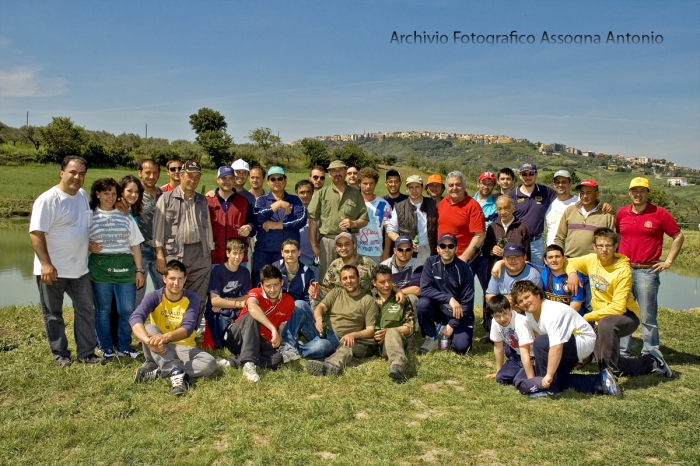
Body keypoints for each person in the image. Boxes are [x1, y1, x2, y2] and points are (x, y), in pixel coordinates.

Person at [565, 228, 674, 381]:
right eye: (600, 246)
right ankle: (652, 362)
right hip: (601, 318)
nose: (604, 250)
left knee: (606, 326)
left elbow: (618, 307)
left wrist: (587, 316)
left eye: (608, 245)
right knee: (604, 360)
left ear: (615, 246)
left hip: (626, 315)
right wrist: (572, 273)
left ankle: (610, 379)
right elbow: (569, 262)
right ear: (594, 247)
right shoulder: (591, 260)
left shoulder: (623, 270)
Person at [29, 156, 104, 366]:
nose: (77, 177)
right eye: (73, 172)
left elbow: (84, 223)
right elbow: (36, 233)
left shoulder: (82, 195)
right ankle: (60, 355)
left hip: (79, 269)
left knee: (86, 309)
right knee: (54, 314)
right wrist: (45, 264)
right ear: (62, 172)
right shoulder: (48, 200)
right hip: (53, 269)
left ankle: (87, 353)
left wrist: (89, 242)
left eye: (81, 173)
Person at [510, 280, 619, 398]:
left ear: (537, 295)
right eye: (520, 301)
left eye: (527, 297)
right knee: (557, 381)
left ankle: (544, 389)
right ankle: (601, 382)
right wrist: (550, 376)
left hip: (581, 340)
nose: (525, 302)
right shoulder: (530, 313)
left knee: (540, 344)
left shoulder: (551, 312)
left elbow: (556, 346)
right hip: (567, 343)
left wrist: (549, 375)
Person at [615, 177, 684, 358]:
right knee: (624, 312)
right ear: (629, 193)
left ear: (647, 193)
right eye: (635, 191)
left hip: (647, 271)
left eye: (642, 191)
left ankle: (651, 354)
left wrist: (668, 261)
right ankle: (623, 354)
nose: (638, 194)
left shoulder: (659, 213)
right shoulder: (622, 213)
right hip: (624, 270)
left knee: (647, 316)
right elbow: (617, 236)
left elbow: (678, 236)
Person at [130, 260, 217, 396]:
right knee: (150, 327)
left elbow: (188, 328)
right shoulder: (154, 296)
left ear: (185, 279)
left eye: (180, 279)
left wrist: (165, 337)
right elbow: (135, 318)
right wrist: (148, 341)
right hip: (156, 347)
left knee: (210, 364)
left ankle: (159, 370)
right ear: (164, 279)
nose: (176, 283)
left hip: (182, 347)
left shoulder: (191, 298)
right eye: (172, 278)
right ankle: (175, 373)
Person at [87, 178, 145, 359]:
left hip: (125, 267)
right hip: (100, 267)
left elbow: (135, 245)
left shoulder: (125, 214)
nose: (110, 197)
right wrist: (88, 244)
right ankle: (106, 348)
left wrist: (139, 270)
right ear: (97, 194)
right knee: (103, 310)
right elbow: (78, 238)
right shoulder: (89, 215)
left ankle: (124, 346)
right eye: (106, 193)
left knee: (126, 310)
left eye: (113, 193)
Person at [153, 160, 214, 324]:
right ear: (181, 175)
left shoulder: (202, 200)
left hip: (200, 253)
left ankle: (190, 330)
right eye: (190, 176)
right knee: (174, 293)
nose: (193, 180)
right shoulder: (166, 199)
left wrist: (208, 251)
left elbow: (207, 227)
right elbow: (158, 230)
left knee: (198, 295)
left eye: (197, 177)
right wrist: (160, 254)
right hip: (175, 253)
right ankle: (171, 328)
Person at [217, 265, 295, 382]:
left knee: (277, 359)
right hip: (238, 336)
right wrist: (273, 329)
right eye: (268, 286)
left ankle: (232, 362)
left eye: (276, 285)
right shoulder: (255, 292)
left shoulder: (288, 301)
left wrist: (278, 336)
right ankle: (249, 365)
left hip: (259, 342)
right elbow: (252, 307)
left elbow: (282, 325)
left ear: (282, 283)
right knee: (252, 316)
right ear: (262, 285)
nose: (272, 290)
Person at [305, 265, 379, 377]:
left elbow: (371, 330)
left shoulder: (368, 301)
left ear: (359, 279)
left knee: (318, 348)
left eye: (352, 277)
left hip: (344, 339)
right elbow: (320, 307)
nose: (348, 281)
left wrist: (353, 335)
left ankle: (330, 366)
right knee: (300, 306)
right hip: (326, 331)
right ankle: (292, 348)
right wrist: (319, 319)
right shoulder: (336, 293)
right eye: (345, 278)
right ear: (341, 281)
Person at [307, 159, 368, 280]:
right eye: (334, 171)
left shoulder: (355, 194)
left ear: (346, 172)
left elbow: (364, 220)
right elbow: (312, 221)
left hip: (349, 241)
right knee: (327, 276)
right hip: (328, 242)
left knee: (350, 275)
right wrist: (314, 245)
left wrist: (353, 223)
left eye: (340, 170)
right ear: (329, 174)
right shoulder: (321, 194)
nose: (337, 173)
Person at [417, 232, 475, 355]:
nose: (446, 249)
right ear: (438, 248)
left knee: (461, 348)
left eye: (450, 246)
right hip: (438, 309)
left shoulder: (464, 269)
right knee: (422, 304)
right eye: (443, 246)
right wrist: (449, 298)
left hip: (458, 314)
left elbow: (467, 304)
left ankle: (447, 329)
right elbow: (425, 289)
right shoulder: (430, 262)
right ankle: (431, 337)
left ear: (456, 249)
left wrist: (452, 325)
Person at [481, 199, 531, 338]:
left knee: (513, 298)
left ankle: (515, 327)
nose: (502, 212)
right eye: (499, 209)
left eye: (506, 208)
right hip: (494, 270)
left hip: (516, 271)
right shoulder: (492, 227)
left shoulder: (522, 227)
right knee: (491, 297)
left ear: (513, 208)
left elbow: (527, 254)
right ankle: (489, 328)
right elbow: (484, 250)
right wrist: (492, 250)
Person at [253, 166, 307, 285]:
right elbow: (258, 217)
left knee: (287, 286)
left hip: (287, 253)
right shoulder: (262, 200)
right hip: (264, 252)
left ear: (285, 180)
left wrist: (278, 225)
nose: (277, 181)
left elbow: (301, 220)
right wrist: (277, 205)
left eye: (280, 178)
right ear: (268, 182)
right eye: (273, 179)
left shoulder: (295, 200)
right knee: (261, 284)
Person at [274, 239, 317, 363]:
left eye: (293, 251)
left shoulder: (307, 273)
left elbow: (307, 301)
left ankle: (288, 344)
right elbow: (266, 291)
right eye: (287, 251)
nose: (290, 255)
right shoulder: (275, 268)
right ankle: (292, 345)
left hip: (298, 311)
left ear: (299, 253)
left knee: (299, 304)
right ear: (282, 253)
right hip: (279, 309)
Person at [206, 165, 256, 266]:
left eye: (231, 178)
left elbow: (253, 222)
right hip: (214, 257)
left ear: (234, 180)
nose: (227, 182)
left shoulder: (244, 202)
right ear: (217, 180)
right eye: (224, 178)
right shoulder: (208, 201)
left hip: (238, 258)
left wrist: (249, 227)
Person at [508, 162, 557, 265]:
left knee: (537, 274)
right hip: (517, 242)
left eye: (531, 174)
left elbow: (564, 198)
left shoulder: (546, 192)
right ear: (520, 176)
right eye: (524, 174)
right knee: (517, 275)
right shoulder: (512, 195)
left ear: (536, 175)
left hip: (536, 244)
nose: (528, 177)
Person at [206, 238, 252, 349]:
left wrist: (224, 301)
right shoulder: (217, 270)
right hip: (217, 310)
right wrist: (237, 303)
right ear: (227, 253)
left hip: (232, 308)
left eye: (241, 253)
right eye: (235, 253)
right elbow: (214, 301)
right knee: (219, 314)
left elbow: (247, 297)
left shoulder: (244, 272)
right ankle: (220, 340)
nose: (238, 257)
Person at [372, 265, 415, 380]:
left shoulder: (401, 299)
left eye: (389, 281)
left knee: (391, 331)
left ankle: (397, 365)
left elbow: (409, 327)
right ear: (374, 283)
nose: (387, 285)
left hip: (398, 341)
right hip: (374, 344)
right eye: (382, 282)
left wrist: (388, 331)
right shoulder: (368, 298)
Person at [554, 179, 614, 258]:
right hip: (570, 261)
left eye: (588, 193)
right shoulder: (570, 210)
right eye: (582, 193)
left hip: (594, 263)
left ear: (597, 194)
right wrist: (560, 256)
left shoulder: (606, 215)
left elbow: (611, 242)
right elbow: (559, 238)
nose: (585, 196)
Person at [484, 295, 535, 386]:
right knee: (500, 378)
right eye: (497, 316)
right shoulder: (495, 323)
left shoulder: (521, 322)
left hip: (533, 356)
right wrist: (498, 371)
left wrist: (531, 381)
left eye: (505, 313)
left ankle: (531, 374)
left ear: (511, 309)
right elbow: (498, 348)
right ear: (492, 315)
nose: (502, 318)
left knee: (518, 381)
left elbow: (525, 352)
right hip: (518, 356)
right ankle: (519, 371)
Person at [386, 174, 438, 263]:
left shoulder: (433, 204)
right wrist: (404, 242)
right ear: (406, 189)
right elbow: (390, 230)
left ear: (422, 188)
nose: (414, 190)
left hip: (429, 251)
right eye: (411, 187)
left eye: (417, 187)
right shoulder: (399, 207)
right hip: (406, 252)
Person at [437, 171, 486, 264]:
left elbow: (480, 236)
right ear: (447, 188)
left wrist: (464, 257)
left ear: (464, 186)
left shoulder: (473, 206)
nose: (454, 188)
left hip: (461, 260)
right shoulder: (443, 203)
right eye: (451, 185)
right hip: (442, 258)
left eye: (458, 184)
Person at [135, 159, 164, 305]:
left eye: (155, 173)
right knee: (136, 295)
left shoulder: (163, 195)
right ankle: (133, 326)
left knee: (164, 293)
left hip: (161, 252)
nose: (151, 176)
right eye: (148, 173)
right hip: (140, 251)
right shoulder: (133, 195)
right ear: (140, 173)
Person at [485, 242, 543, 309]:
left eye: (517, 257)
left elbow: (536, 304)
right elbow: (488, 296)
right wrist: (504, 300)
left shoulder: (533, 276)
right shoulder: (498, 271)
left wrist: (515, 304)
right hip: (503, 313)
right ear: (503, 258)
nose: (512, 260)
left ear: (524, 257)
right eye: (509, 257)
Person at [355, 167, 393, 264]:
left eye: (371, 183)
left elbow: (389, 230)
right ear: (359, 183)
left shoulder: (384, 204)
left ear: (375, 184)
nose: (368, 186)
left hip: (376, 253)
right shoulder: (353, 203)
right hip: (355, 251)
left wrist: (386, 252)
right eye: (365, 183)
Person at [541, 244, 586, 315]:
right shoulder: (543, 272)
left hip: (572, 318)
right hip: (550, 317)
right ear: (545, 261)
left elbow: (576, 306)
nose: (554, 260)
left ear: (564, 258)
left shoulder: (575, 276)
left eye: (557, 256)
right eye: (550, 257)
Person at [380, 235, 423, 309]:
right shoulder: (384, 265)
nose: (404, 252)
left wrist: (399, 292)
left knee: (412, 298)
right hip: (389, 296)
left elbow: (417, 290)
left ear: (412, 251)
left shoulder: (418, 265)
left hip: (408, 297)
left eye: (408, 249)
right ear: (395, 251)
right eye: (400, 249)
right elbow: (380, 286)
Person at [545, 170, 578, 246]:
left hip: (572, 252)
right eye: (557, 182)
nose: (560, 184)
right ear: (554, 185)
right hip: (552, 252)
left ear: (570, 183)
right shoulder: (549, 203)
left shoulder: (579, 202)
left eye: (564, 182)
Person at [295, 179, 319, 277]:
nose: (305, 195)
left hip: (317, 258)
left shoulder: (320, 211)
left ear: (313, 193)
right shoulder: (292, 212)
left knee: (316, 288)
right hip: (299, 258)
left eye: (308, 192)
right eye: (302, 192)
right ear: (296, 194)